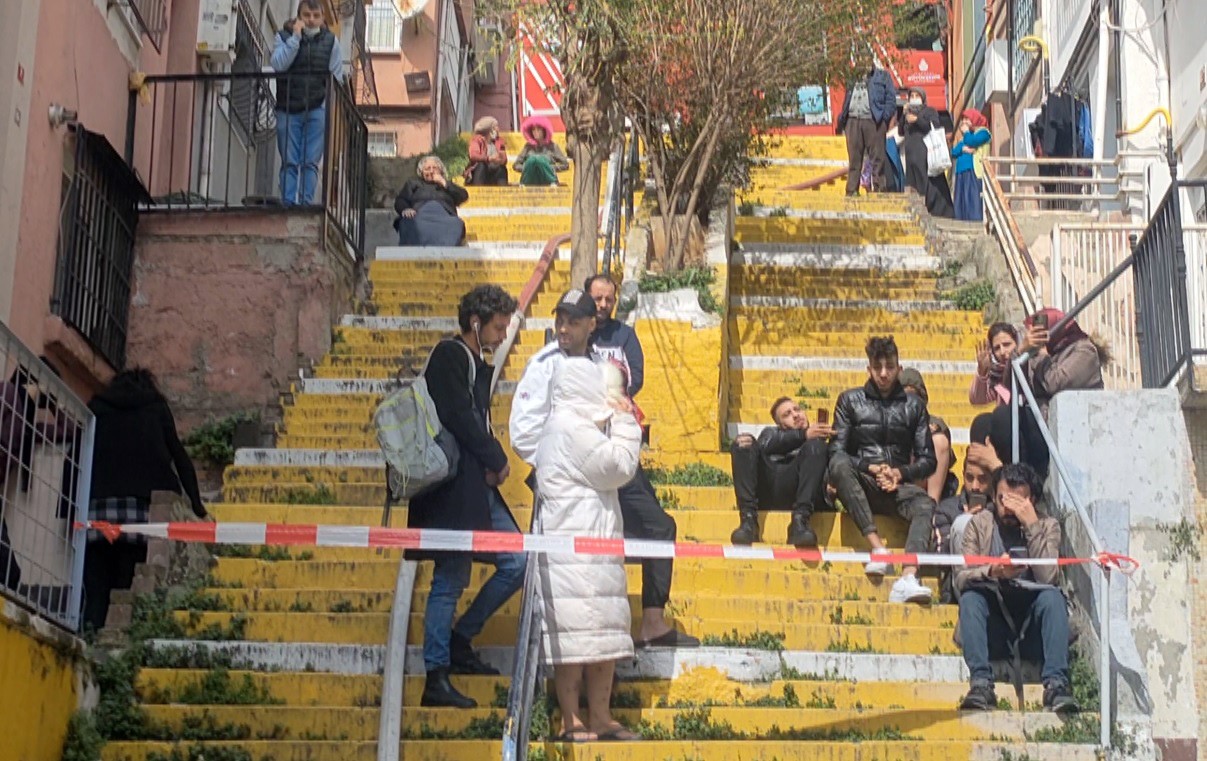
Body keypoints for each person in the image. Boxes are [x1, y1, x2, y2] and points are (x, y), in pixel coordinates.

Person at [510, 288, 700, 648]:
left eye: (573, 321)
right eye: (560, 320)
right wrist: (557, 462)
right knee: (578, 559)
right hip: (566, 477)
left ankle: (653, 623)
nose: (563, 328)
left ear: (591, 324)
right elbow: (523, 429)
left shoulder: (603, 366)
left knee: (659, 527)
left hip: (607, 464)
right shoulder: (544, 365)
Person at [410, 285, 526, 708]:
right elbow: (460, 417)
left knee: (517, 561)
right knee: (450, 578)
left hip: (475, 487)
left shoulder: (477, 361)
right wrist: (496, 456)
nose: (502, 335)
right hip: (453, 488)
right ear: (475, 323)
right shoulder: (450, 356)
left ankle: (460, 639)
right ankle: (436, 675)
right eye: (498, 327)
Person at [535, 358, 643, 742]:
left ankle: (600, 715)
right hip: (575, 550)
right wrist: (627, 424)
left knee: (601, 634)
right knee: (575, 638)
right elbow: (618, 465)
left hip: (593, 542)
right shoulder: (570, 428)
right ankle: (572, 719)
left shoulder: (567, 425)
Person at [84, 369, 207, 631]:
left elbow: (76, 454)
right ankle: (118, 644)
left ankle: (89, 641)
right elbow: (179, 456)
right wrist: (197, 505)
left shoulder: (96, 407)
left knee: (96, 591)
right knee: (126, 584)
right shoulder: (155, 408)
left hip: (96, 511)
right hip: (137, 514)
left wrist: (66, 508)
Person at [955, 462, 1077, 713]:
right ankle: (980, 684)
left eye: (1017, 501)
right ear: (994, 496)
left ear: (1031, 499)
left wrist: (1031, 525)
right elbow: (961, 577)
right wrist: (993, 571)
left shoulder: (1048, 525)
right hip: (994, 619)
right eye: (1002, 499)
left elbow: (1049, 577)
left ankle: (1056, 685)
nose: (1008, 507)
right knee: (970, 598)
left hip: (1031, 623)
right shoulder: (979, 524)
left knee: (1053, 597)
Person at [827, 336, 937, 604]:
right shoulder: (849, 401)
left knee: (925, 503)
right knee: (838, 465)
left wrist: (900, 474)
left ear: (900, 368)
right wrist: (870, 467)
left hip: (897, 486)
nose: (884, 374)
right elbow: (836, 450)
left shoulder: (914, 406)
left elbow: (928, 460)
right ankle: (878, 548)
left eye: (890, 367)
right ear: (869, 369)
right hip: (863, 480)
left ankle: (909, 575)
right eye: (878, 368)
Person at [728, 397, 830, 547]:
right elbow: (765, 445)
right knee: (744, 442)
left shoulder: (817, 444)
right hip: (770, 487)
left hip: (800, 491)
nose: (795, 415)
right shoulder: (771, 434)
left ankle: (800, 522)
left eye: (797, 409)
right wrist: (803, 435)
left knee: (816, 447)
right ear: (780, 425)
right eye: (787, 414)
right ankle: (748, 521)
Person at [270, 0, 344, 206]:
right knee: (289, 161)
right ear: (298, 17)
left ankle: (305, 204)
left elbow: (336, 78)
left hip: (317, 107)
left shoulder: (331, 42)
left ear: (322, 18)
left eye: (315, 16)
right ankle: (288, 203)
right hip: (288, 107)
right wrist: (295, 38)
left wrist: (327, 108)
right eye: (306, 15)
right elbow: (278, 64)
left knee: (310, 162)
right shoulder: (283, 37)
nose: (311, 20)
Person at [933, 458, 994, 604]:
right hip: (962, 586)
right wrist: (966, 522)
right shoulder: (947, 509)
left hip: (996, 581)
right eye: (969, 478)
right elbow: (941, 556)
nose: (975, 486)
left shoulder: (1002, 512)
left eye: (982, 479)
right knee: (963, 523)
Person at [836, 66, 898, 196]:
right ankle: (852, 190)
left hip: (873, 120)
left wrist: (884, 118)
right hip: (853, 120)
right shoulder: (852, 76)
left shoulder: (882, 76)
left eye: (866, 59)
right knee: (854, 159)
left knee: (877, 159)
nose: (863, 63)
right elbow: (847, 97)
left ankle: (879, 189)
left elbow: (891, 99)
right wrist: (844, 119)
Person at [899, 368, 957, 504]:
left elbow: (943, 451)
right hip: (897, 483)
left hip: (924, 484)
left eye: (914, 397)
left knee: (938, 441)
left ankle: (932, 506)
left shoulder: (934, 424)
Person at [899, 87, 954, 219]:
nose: (914, 98)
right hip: (911, 155)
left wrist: (917, 120)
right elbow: (901, 131)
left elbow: (933, 126)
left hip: (925, 153)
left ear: (922, 98)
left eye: (917, 95)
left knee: (928, 183)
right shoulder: (907, 113)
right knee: (912, 184)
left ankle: (933, 210)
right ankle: (914, 209)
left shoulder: (929, 111)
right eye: (911, 95)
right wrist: (903, 114)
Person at [585, 275, 643, 398]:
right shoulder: (578, 333)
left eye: (609, 300)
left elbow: (636, 378)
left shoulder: (625, 334)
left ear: (615, 302)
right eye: (598, 299)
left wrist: (617, 398)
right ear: (587, 299)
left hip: (617, 405)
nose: (603, 304)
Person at [394, 156, 469, 246]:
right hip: (420, 215)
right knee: (408, 223)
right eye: (427, 169)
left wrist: (444, 183)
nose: (431, 171)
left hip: (444, 216)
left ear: (441, 171)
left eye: (435, 168)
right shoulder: (413, 183)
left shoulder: (446, 185)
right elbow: (401, 199)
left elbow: (463, 196)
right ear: (421, 172)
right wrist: (405, 209)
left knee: (456, 224)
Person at [951, 109, 992, 222]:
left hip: (973, 170)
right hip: (961, 171)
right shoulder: (967, 136)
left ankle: (975, 221)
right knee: (961, 199)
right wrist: (963, 148)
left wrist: (967, 135)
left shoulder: (984, 133)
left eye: (967, 119)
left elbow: (973, 142)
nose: (964, 122)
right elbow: (954, 151)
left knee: (972, 198)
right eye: (963, 119)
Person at [513, 116, 570, 187]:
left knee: (541, 160)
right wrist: (527, 166)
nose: (535, 132)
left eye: (538, 129)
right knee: (532, 160)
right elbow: (516, 165)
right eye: (533, 130)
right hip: (531, 179)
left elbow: (565, 165)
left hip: (547, 179)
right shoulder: (528, 147)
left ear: (544, 130)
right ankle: (524, 182)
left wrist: (549, 167)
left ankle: (552, 181)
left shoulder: (553, 146)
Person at [466, 117, 509, 186]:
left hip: (493, 172)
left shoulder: (499, 142)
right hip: (479, 174)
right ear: (490, 130)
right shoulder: (477, 140)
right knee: (481, 165)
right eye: (496, 127)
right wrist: (489, 159)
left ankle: (503, 193)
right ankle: (478, 190)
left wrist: (501, 158)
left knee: (502, 169)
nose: (498, 129)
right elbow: (473, 155)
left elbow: (504, 161)